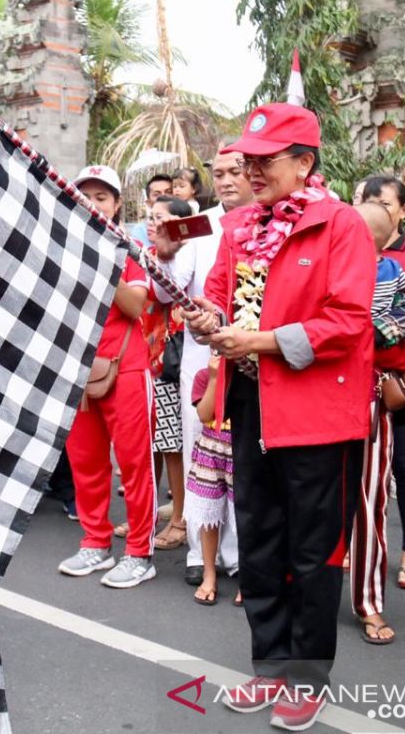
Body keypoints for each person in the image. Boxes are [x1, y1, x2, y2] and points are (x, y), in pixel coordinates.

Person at [185, 103, 374, 731]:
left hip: (318, 414)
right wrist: (207, 318)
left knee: (315, 550)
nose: (252, 169)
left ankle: (308, 677)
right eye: (249, 159)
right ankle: (269, 667)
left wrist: (260, 343)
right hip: (249, 402)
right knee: (261, 540)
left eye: (267, 160)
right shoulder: (240, 227)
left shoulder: (341, 224)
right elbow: (217, 293)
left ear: (305, 163)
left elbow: (348, 323)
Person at [155, 146, 254, 587]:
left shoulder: (280, 222)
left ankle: (246, 553)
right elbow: (168, 294)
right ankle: (201, 551)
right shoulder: (200, 224)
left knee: (249, 459)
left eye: (238, 171)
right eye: (220, 173)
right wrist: (164, 256)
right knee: (202, 457)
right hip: (203, 362)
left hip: (259, 360)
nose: (228, 180)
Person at [58, 164, 157, 590]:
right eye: (86, 195)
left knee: (134, 464)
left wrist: (103, 259)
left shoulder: (130, 248)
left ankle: (139, 552)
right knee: (86, 464)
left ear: (117, 205)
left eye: (102, 197)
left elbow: (136, 307)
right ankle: (95, 542)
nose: (92, 203)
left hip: (127, 367)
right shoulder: (60, 247)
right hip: (77, 368)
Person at [349, 202, 405, 647]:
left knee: (371, 503)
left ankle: (369, 600)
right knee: (307, 500)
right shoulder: (317, 271)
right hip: (314, 398)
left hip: (370, 398)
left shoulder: (390, 274)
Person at [144, 196, 194, 552]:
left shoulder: (185, 254)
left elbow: (165, 296)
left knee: (171, 442)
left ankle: (180, 517)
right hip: (146, 355)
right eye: (150, 216)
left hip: (172, 360)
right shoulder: (145, 251)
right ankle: (150, 513)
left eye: (160, 218)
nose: (152, 222)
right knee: (152, 441)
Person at [183, 354, 241, 607]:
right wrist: (216, 378)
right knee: (209, 517)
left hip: (242, 452)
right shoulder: (205, 376)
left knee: (246, 516)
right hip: (210, 451)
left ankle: (248, 578)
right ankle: (209, 572)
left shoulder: (250, 379)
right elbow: (205, 413)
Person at [129, 173, 174, 246]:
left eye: (168, 192)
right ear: (148, 203)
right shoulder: (140, 231)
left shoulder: (184, 224)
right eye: (157, 194)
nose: (163, 197)